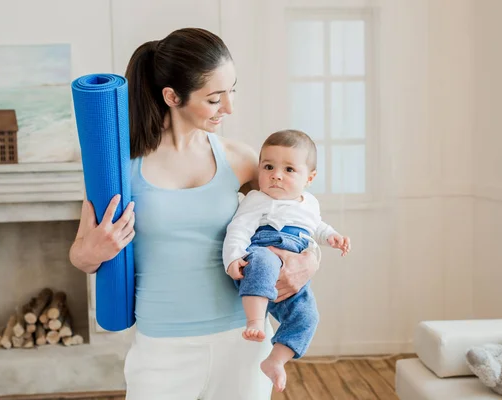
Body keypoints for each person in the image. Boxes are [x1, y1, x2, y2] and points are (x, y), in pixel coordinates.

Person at [69, 27, 320, 400]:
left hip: (243, 339)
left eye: (232, 91)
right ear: (172, 96)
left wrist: (310, 261)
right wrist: (95, 251)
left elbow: (297, 218)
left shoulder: (241, 160)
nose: (230, 108)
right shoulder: (123, 168)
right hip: (161, 348)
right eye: (216, 98)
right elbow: (80, 255)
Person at [222, 129, 351, 392]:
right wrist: (233, 257)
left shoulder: (310, 203)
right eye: (268, 166)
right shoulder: (257, 199)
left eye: (289, 169)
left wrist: (333, 237)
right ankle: (256, 321)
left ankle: (277, 360)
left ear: (309, 178)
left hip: (296, 257)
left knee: (308, 315)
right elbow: (239, 229)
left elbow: (317, 227)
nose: (276, 175)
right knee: (265, 261)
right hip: (263, 250)